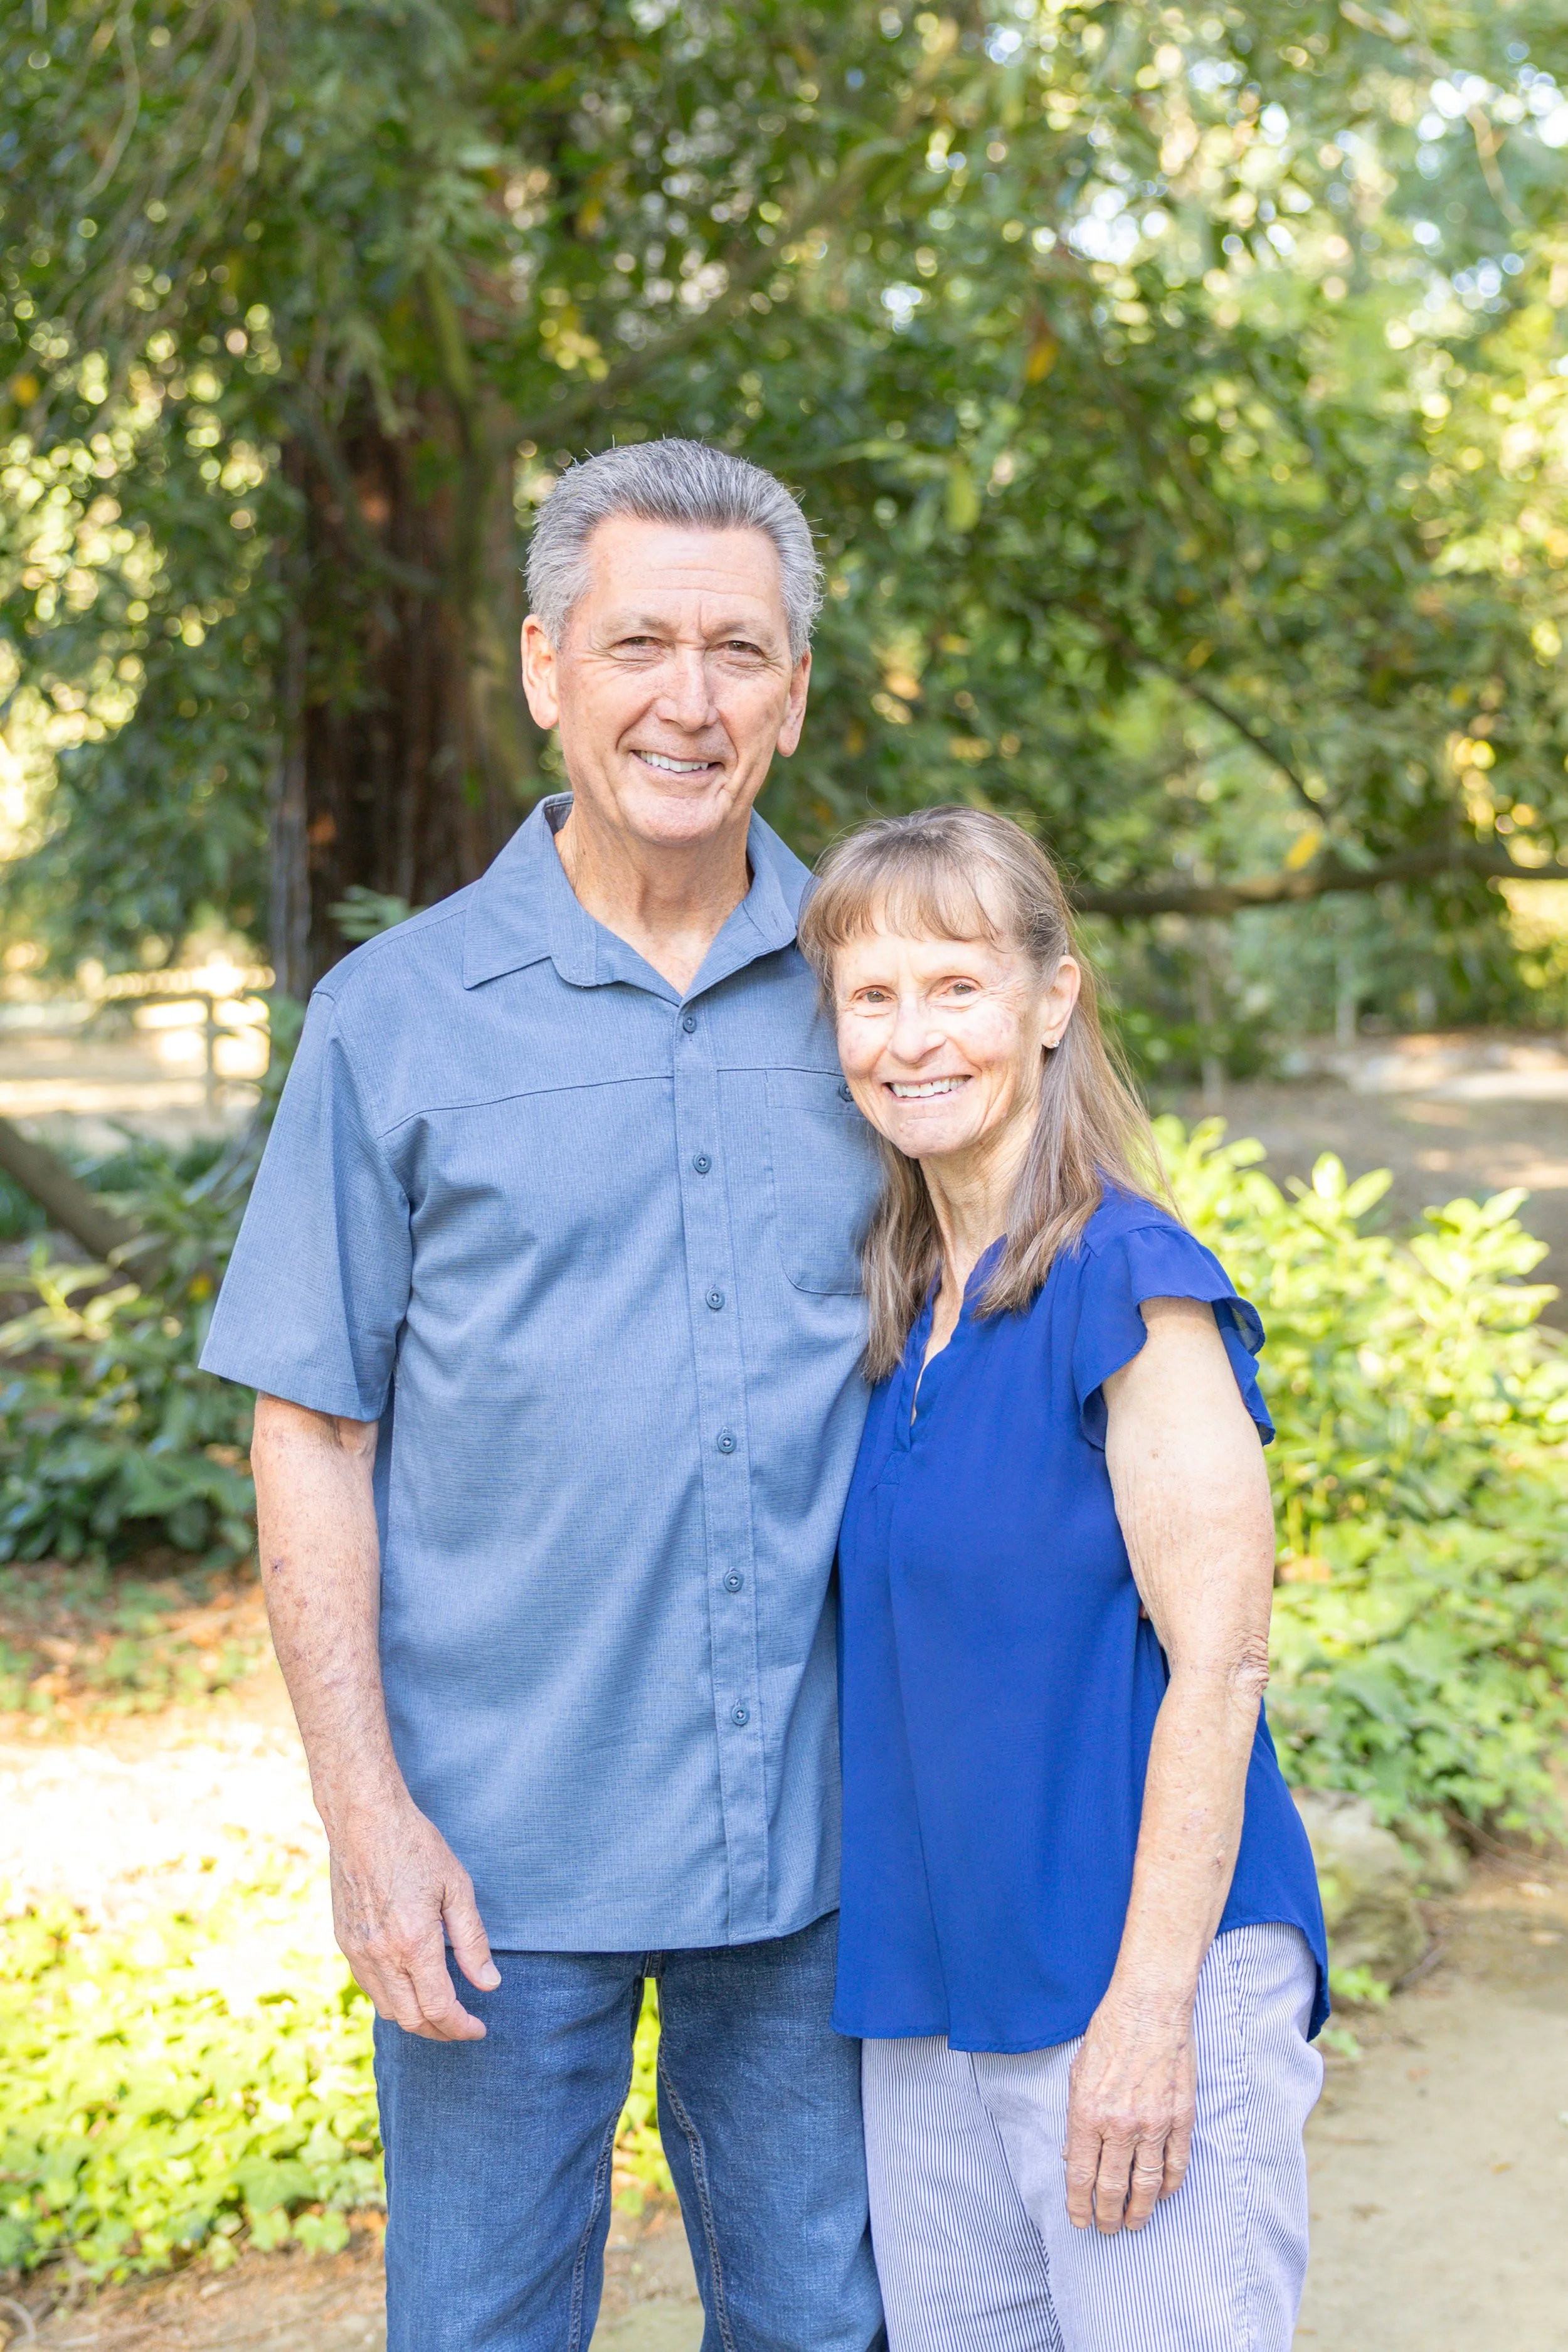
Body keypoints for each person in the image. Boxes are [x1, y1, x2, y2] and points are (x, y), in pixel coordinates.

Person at [201, 440, 887, 2352]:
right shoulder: (396, 1017)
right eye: (639, 642)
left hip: (829, 1836)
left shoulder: (886, 995)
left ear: (796, 692)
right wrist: (366, 1815)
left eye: (739, 651)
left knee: (830, 2322)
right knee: (483, 2327)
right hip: (498, 1847)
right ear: (540, 666)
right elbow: (313, 1426)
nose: (690, 697)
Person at [795, 805, 1329, 2352]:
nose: (910, 1038)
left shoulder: (1129, 1281)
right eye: (870, 997)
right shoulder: (905, 1314)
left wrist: (1149, 2017)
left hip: (1132, 1976)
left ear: (1050, 999)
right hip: (933, 1996)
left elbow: (1221, 1664)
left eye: (953, 986)